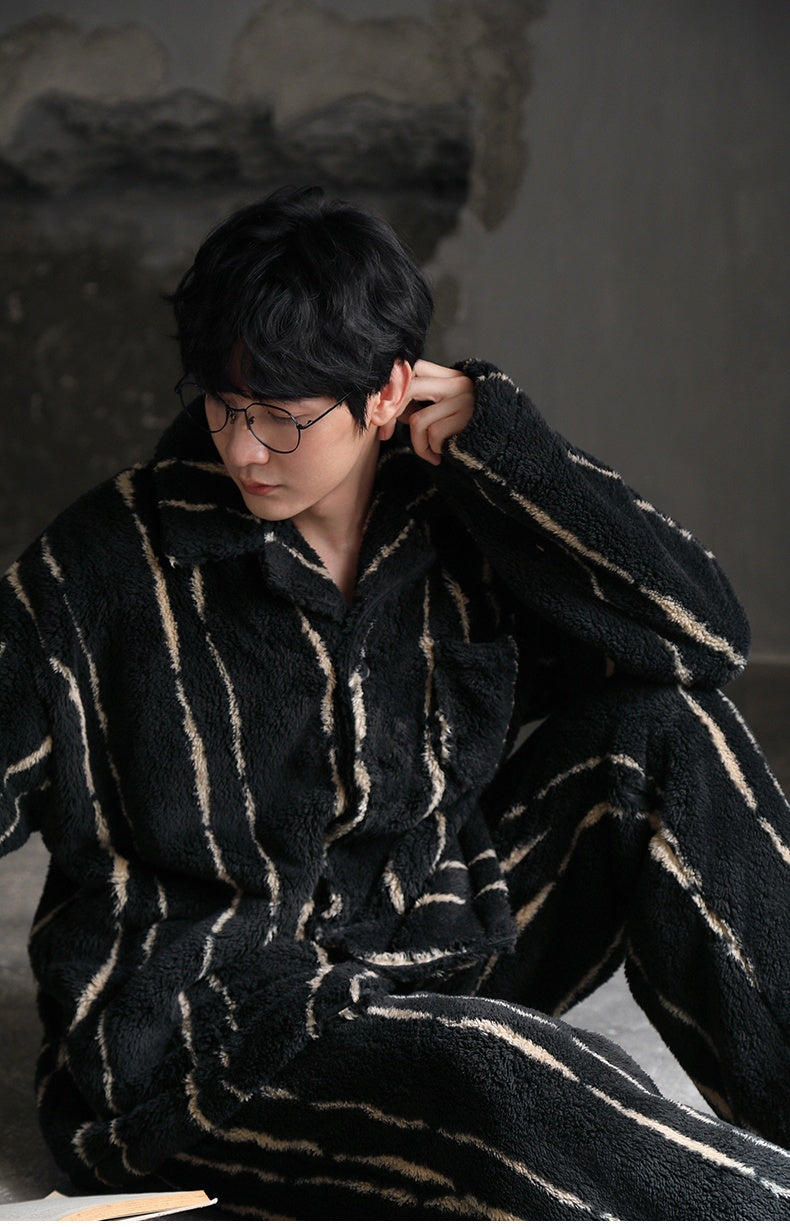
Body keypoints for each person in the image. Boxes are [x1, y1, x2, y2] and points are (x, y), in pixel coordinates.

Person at [1, 185, 788, 1221]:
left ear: (387, 395)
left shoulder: (459, 512)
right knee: (506, 1074)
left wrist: (515, 454)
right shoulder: (99, 568)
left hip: (430, 944)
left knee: (667, 733)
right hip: (210, 1044)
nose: (243, 448)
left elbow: (703, 641)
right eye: (224, 406)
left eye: (282, 419)